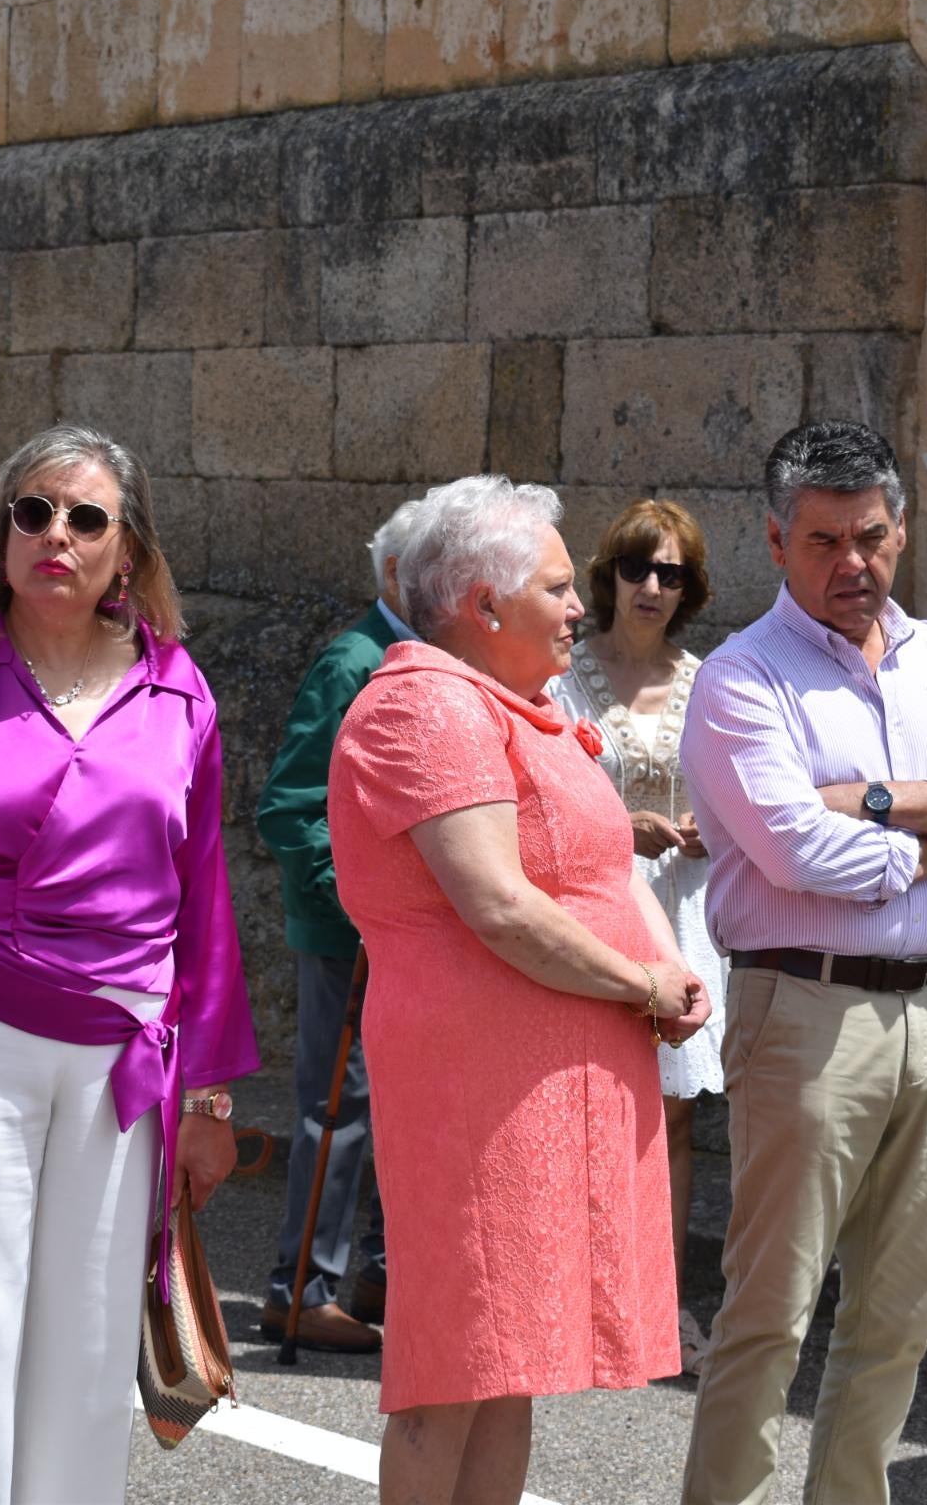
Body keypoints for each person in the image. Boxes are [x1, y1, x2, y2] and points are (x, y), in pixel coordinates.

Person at [677, 420, 927, 1505]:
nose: (854, 563)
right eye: (824, 541)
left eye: (873, 536)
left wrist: (879, 801)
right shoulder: (743, 680)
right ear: (775, 540)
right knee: (768, 1312)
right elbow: (798, 850)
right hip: (803, 1008)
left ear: (902, 529)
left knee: (900, 1314)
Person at [0, 425, 258, 1505]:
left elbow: (205, 902)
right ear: (0, 534)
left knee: (89, 1355)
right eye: (31, 511)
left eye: (86, 517)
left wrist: (212, 1094)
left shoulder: (180, 691)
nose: (55, 534)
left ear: (127, 552)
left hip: (123, 1056)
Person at [326, 474, 709, 1505]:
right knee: (454, 1367)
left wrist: (663, 965)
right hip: (479, 1087)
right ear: (485, 606)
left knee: (508, 1366)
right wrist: (641, 980)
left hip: (528, 1077)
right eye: (554, 585)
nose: (579, 604)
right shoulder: (426, 705)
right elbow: (496, 903)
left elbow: (600, 864)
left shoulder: (522, 708)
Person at [548, 497, 728, 1377]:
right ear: (608, 574)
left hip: (685, 911)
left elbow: (750, 797)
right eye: (637, 568)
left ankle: (659, 1301)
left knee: (676, 1117)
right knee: (590, 1111)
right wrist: (626, 826)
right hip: (598, 905)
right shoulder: (563, 679)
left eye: (673, 574)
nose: (653, 587)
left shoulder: (712, 684)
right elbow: (539, 792)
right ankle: (583, 1300)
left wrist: (709, 827)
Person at [253, 499, 425, 1354]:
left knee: (393, 1107)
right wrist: (351, 906)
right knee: (338, 1108)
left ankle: (370, 1272)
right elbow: (290, 805)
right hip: (347, 932)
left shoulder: (410, 656)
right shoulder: (353, 660)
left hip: (397, 927)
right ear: (399, 573)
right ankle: (299, 1289)